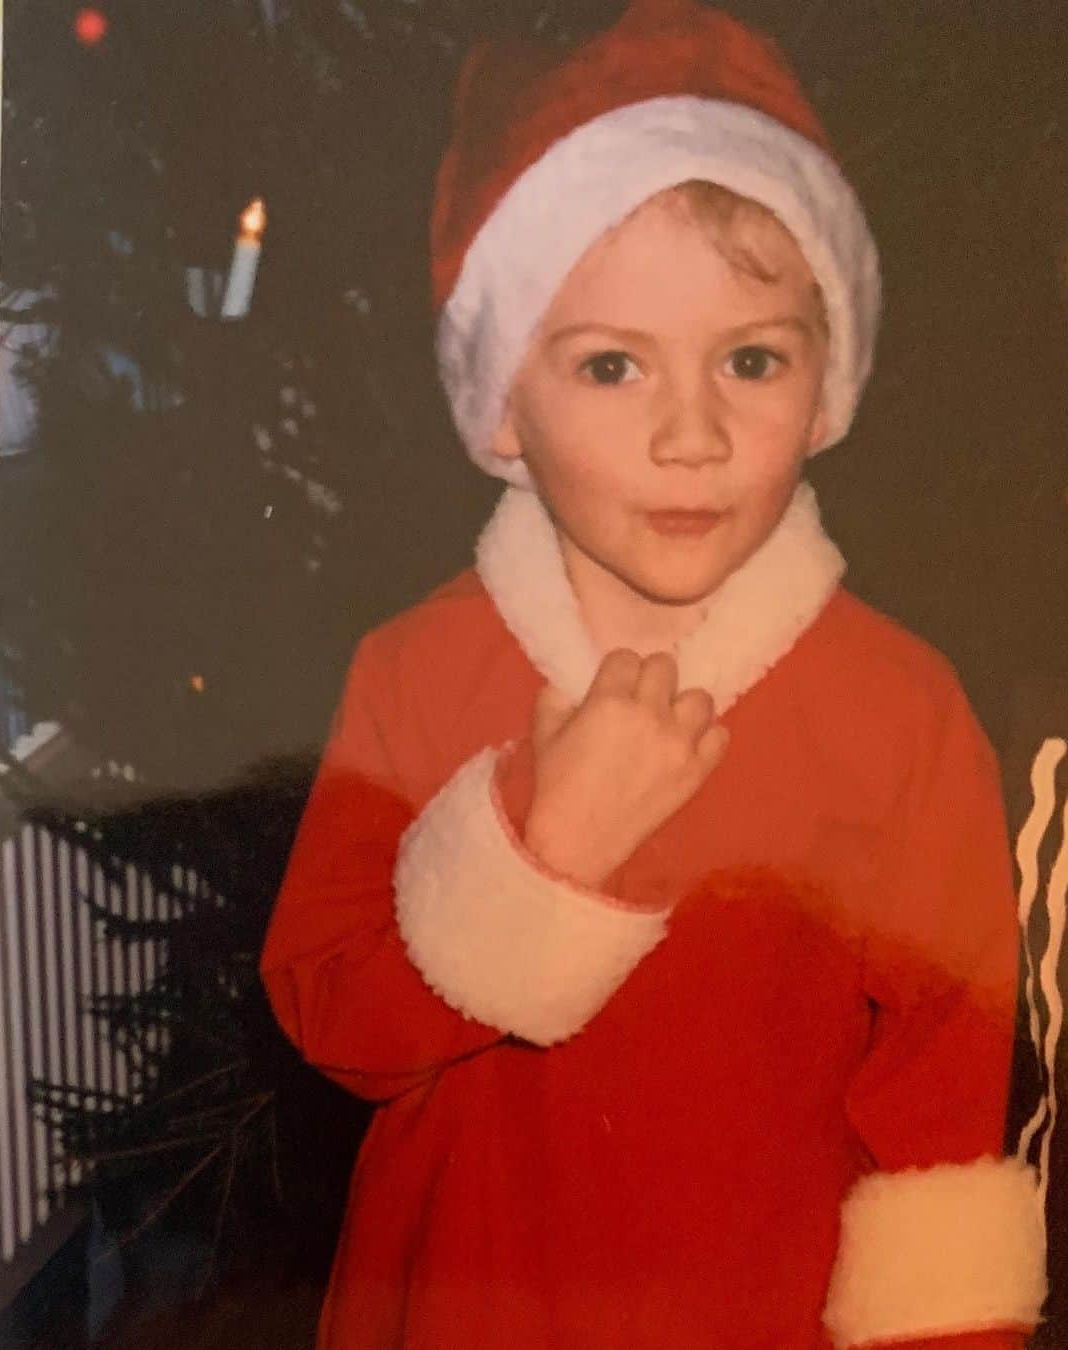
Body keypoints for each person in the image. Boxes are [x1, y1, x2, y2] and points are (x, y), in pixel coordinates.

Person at [260, 2, 1048, 1346]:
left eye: (750, 359)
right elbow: (333, 1012)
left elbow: (945, 1111)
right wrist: (533, 851)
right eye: (612, 364)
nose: (693, 434)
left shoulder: (901, 712)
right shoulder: (416, 670)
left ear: (825, 386)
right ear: (504, 403)